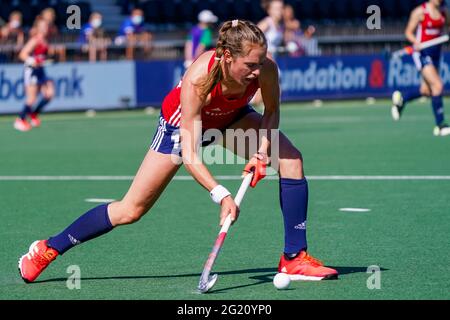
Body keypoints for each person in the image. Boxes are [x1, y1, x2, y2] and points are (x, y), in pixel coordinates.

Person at [18, 20, 338, 283]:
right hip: (180, 128)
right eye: (249, 65)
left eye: (260, 63)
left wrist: (262, 152)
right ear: (226, 56)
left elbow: (271, 110)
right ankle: (49, 248)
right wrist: (222, 194)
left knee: (291, 158)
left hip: (234, 118)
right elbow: (190, 153)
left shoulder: (266, 68)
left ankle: (294, 258)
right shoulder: (199, 80)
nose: (257, 71)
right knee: (131, 210)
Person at [391, 0, 450, 136]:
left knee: (426, 90)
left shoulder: (444, 12)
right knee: (438, 86)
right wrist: (415, 42)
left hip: (436, 54)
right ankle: (440, 125)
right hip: (422, 54)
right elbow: (408, 32)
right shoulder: (420, 12)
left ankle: (402, 99)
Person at [13, 18, 55, 132]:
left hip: (40, 70)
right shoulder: (35, 40)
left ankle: (33, 115)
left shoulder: (46, 40)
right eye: (42, 26)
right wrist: (33, 61)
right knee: (31, 98)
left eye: (46, 26)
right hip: (31, 71)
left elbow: (44, 55)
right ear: (37, 28)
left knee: (49, 94)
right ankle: (20, 120)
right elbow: (22, 54)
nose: (45, 29)